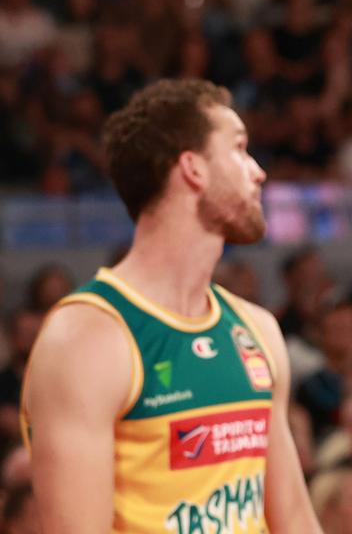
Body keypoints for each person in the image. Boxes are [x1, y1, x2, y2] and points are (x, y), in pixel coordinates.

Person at [21, 79, 321, 533]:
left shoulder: (257, 328)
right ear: (193, 169)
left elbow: (295, 520)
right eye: (239, 149)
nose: (258, 171)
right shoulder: (87, 338)